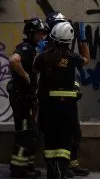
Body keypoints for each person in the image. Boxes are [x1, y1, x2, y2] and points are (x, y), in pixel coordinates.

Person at [35, 22, 90, 179]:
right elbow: (86, 59)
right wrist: (83, 40)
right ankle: (61, 170)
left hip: (47, 107)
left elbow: (35, 69)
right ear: (69, 40)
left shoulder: (43, 57)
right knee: (65, 141)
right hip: (67, 107)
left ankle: (53, 172)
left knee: (50, 141)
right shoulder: (72, 58)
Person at [8, 17, 48, 178]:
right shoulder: (25, 47)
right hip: (21, 99)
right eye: (40, 33)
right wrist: (26, 76)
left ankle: (28, 165)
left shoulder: (32, 49)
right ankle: (18, 169)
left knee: (32, 133)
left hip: (27, 99)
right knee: (25, 133)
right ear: (31, 34)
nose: (42, 37)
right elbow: (13, 60)